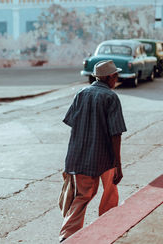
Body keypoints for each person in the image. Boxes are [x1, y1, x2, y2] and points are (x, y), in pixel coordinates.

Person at [59, 60, 127, 243]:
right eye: (115, 76)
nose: (116, 79)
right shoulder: (110, 97)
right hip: (104, 157)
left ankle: (67, 236)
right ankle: (107, 227)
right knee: (110, 190)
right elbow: (116, 134)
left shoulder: (81, 93)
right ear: (109, 77)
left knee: (82, 196)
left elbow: (71, 121)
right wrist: (118, 164)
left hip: (79, 155)